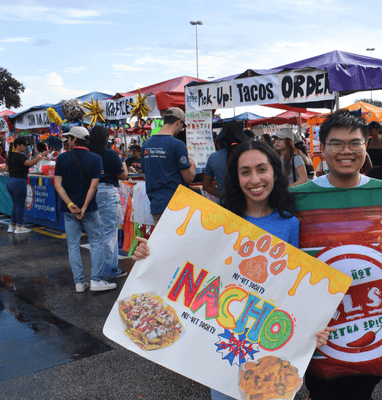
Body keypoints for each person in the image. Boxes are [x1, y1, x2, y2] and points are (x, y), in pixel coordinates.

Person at [132, 140, 330, 400]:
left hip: (264, 333)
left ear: (274, 172)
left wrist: (309, 329)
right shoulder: (217, 221)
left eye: (262, 169)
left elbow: (295, 286)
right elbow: (185, 266)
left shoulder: (290, 223)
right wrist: (148, 255)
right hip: (219, 335)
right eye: (245, 172)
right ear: (236, 178)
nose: (254, 179)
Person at [291, 110, 382, 400]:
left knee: (363, 390)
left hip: (371, 321)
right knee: (322, 391)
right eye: (336, 143)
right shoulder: (299, 199)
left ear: (366, 145)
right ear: (322, 148)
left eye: (354, 143)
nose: (346, 151)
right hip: (316, 330)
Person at [54, 127, 117, 293]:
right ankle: (96, 280)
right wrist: (84, 206)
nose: (67, 141)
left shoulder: (62, 158)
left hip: (69, 211)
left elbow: (57, 185)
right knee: (96, 243)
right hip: (89, 209)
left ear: (74, 139)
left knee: (73, 246)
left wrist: (70, 204)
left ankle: (79, 283)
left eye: (69, 138)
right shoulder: (95, 158)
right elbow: (93, 186)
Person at [141, 107, 196, 224]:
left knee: (161, 242)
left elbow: (146, 176)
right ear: (178, 122)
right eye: (182, 126)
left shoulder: (147, 144)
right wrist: (192, 165)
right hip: (177, 206)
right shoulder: (177, 145)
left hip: (156, 205)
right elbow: (189, 178)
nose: (181, 130)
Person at [89, 126, 128, 281]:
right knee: (109, 234)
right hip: (107, 191)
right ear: (105, 138)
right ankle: (109, 271)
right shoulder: (109, 153)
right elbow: (122, 175)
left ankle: (99, 270)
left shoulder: (88, 154)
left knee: (96, 235)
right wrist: (123, 166)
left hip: (91, 192)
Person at [6, 136, 49, 233]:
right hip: (19, 182)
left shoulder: (10, 155)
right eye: (24, 145)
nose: (26, 147)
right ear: (18, 146)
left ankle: (12, 225)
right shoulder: (20, 156)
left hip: (10, 181)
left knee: (16, 205)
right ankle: (19, 227)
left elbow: (7, 169)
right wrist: (41, 155)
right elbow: (29, 163)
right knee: (20, 205)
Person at [203, 121, 250, 198]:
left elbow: (206, 186)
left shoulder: (214, 157)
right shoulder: (249, 155)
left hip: (225, 205)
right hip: (248, 203)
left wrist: (222, 196)